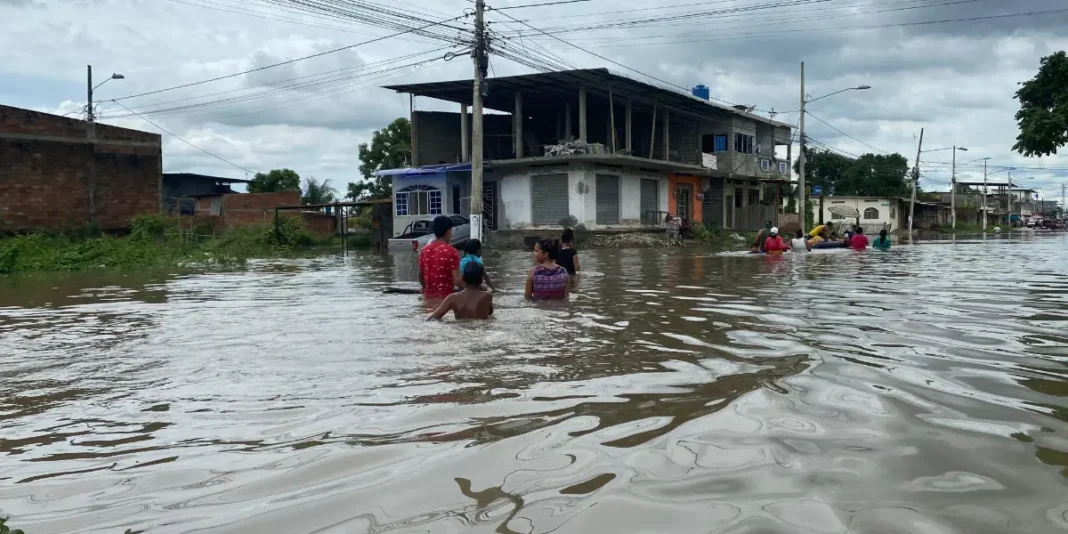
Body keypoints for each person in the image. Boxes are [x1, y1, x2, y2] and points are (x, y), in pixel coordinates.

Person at [427, 261, 494, 320]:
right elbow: (490, 312)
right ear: (481, 280)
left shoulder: (452, 298)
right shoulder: (488, 295)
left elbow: (433, 318)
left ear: (462, 277)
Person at [418, 215, 461, 299]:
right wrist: (473, 289)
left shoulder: (424, 251)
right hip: (446, 300)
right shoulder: (452, 251)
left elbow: (420, 275)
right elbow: (458, 280)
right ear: (448, 231)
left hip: (428, 298)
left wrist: (424, 287)